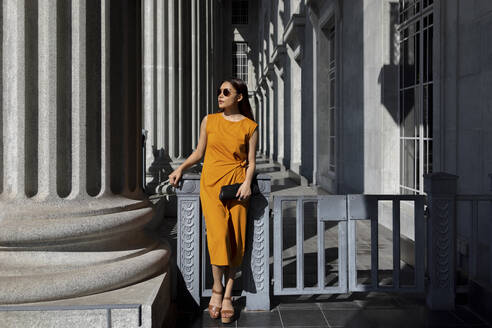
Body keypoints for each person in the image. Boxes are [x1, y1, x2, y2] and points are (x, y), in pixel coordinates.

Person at [168, 78, 258, 323]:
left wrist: (248, 184)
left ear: (239, 97)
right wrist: (181, 169)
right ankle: (217, 288)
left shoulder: (250, 126)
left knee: (236, 241)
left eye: (226, 91)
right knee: (217, 238)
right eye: (219, 91)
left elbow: (251, 162)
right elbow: (199, 152)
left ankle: (228, 295)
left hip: (238, 187)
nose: (220, 95)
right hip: (211, 185)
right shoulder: (209, 120)